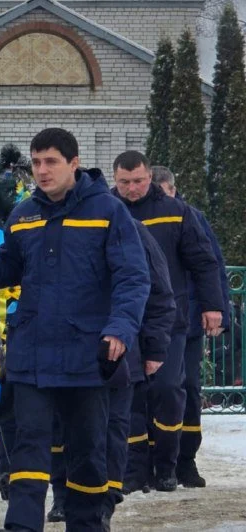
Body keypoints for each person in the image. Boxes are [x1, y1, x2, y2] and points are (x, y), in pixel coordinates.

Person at [0, 128, 149, 532]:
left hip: (87, 355)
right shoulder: (23, 214)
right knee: (28, 446)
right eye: (36, 162)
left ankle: (87, 523)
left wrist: (120, 328)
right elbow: (7, 269)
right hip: (33, 356)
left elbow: (133, 277)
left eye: (51, 162)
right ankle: (22, 526)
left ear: (74, 164)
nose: (41, 171)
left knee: (87, 452)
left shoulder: (108, 211)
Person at [48, 221, 176, 526]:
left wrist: (155, 348)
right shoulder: (53, 224)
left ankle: (106, 500)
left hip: (118, 351)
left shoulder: (127, 227)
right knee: (62, 427)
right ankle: (63, 495)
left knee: (112, 429)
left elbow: (158, 292)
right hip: (63, 352)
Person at [112, 152, 224, 492]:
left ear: (150, 177)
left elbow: (204, 262)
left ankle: (168, 464)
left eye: (138, 181)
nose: (132, 188)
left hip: (168, 318)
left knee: (169, 390)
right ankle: (134, 469)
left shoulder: (177, 212)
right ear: (115, 180)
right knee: (129, 395)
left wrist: (213, 306)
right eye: (124, 182)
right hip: (124, 319)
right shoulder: (106, 211)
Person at [151, 165, 230, 488]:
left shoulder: (190, 216)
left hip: (189, 320)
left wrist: (217, 310)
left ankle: (185, 460)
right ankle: (154, 462)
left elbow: (212, 266)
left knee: (188, 389)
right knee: (153, 392)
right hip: (154, 321)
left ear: (173, 190)